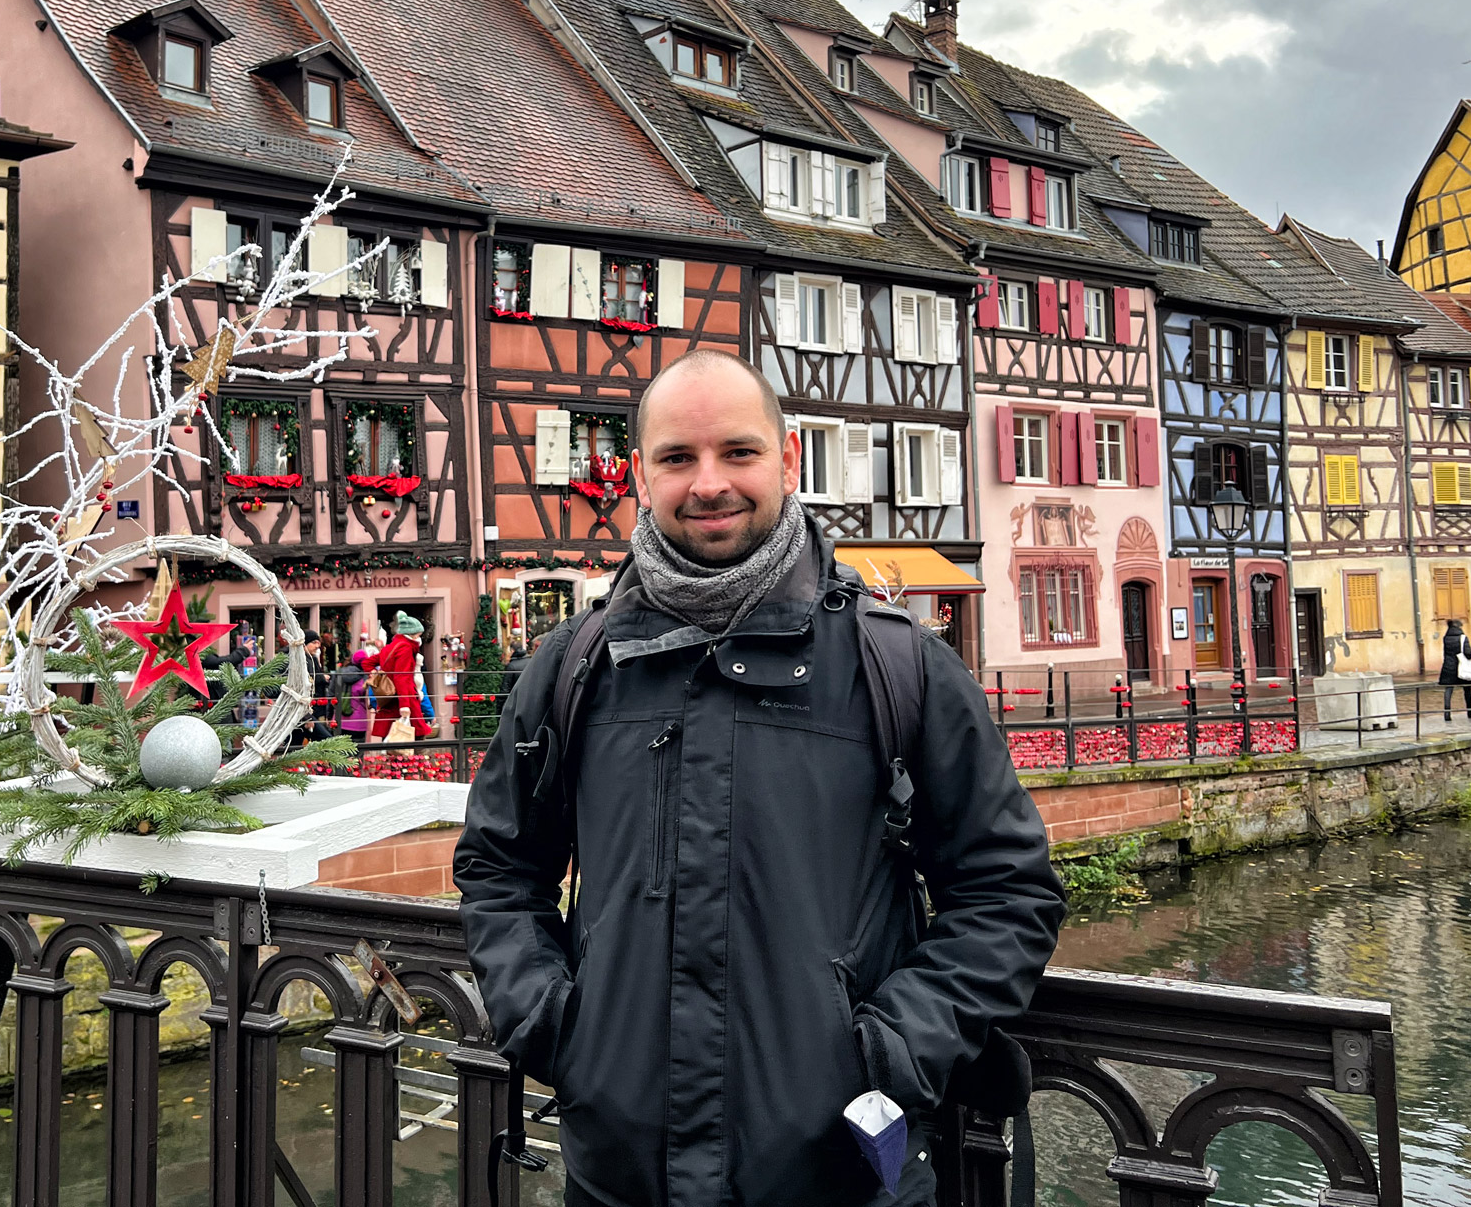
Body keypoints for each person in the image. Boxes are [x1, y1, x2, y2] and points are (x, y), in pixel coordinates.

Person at [455, 350, 1064, 1206]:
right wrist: (557, 1027)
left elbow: (1008, 891)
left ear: (788, 461)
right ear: (640, 476)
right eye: (678, 458)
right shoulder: (576, 666)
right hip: (622, 1174)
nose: (709, 483)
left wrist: (887, 1053)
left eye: (738, 452)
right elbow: (497, 867)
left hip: (844, 1172)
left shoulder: (896, 665)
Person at [373, 612, 428, 741]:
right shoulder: (406, 648)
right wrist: (405, 705)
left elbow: (367, 662)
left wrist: (372, 672)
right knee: (415, 735)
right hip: (404, 695)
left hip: (390, 696)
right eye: (418, 635)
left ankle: (398, 760)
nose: (419, 638)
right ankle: (417, 761)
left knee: (391, 734)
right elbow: (402, 676)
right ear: (412, 634)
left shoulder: (390, 647)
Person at [1441, 618, 1471, 719]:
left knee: (1448, 688)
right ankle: (1470, 710)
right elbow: (1468, 653)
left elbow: (1445, 653)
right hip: (1462, 666)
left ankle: (1447, 713)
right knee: (1467, 689)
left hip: (1449, 665)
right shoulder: (1463, 638)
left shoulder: (1445, 638)